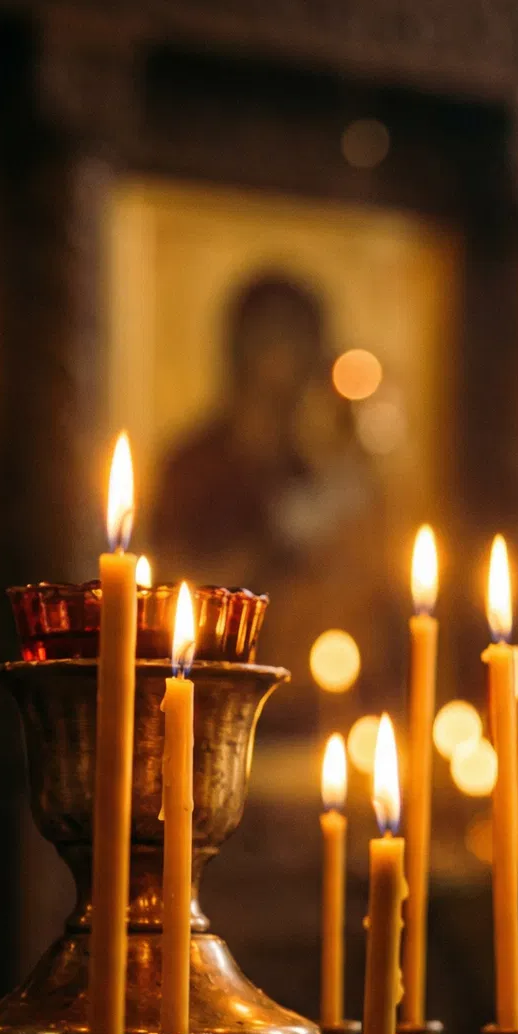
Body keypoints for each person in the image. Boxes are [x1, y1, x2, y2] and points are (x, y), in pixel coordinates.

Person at [149, 274, 392, 726]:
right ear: (243, 349)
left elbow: (360, 600)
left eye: (307, 344)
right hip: (215, 707)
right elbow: (176, 591)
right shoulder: (195, 466)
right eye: (280, 340)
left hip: (313, 708)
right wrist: (277, 540)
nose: (297, 364)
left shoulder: (313, 467)